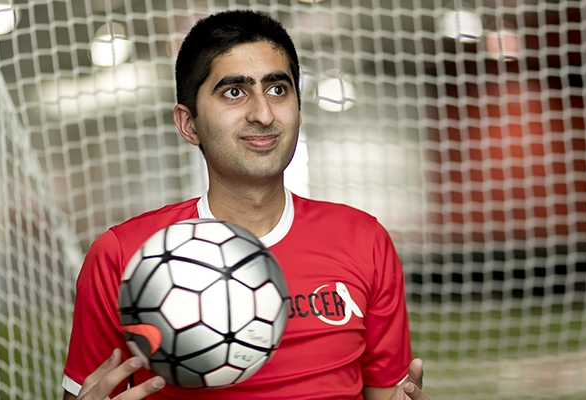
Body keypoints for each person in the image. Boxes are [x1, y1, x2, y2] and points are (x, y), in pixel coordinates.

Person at [62, 9, 429, 400]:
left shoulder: (363, 240)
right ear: (189, 124)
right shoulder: (124, 256)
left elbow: (385, 393)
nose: (263, 113)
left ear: (299, 110)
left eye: (277, 89)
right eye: (234, 92)